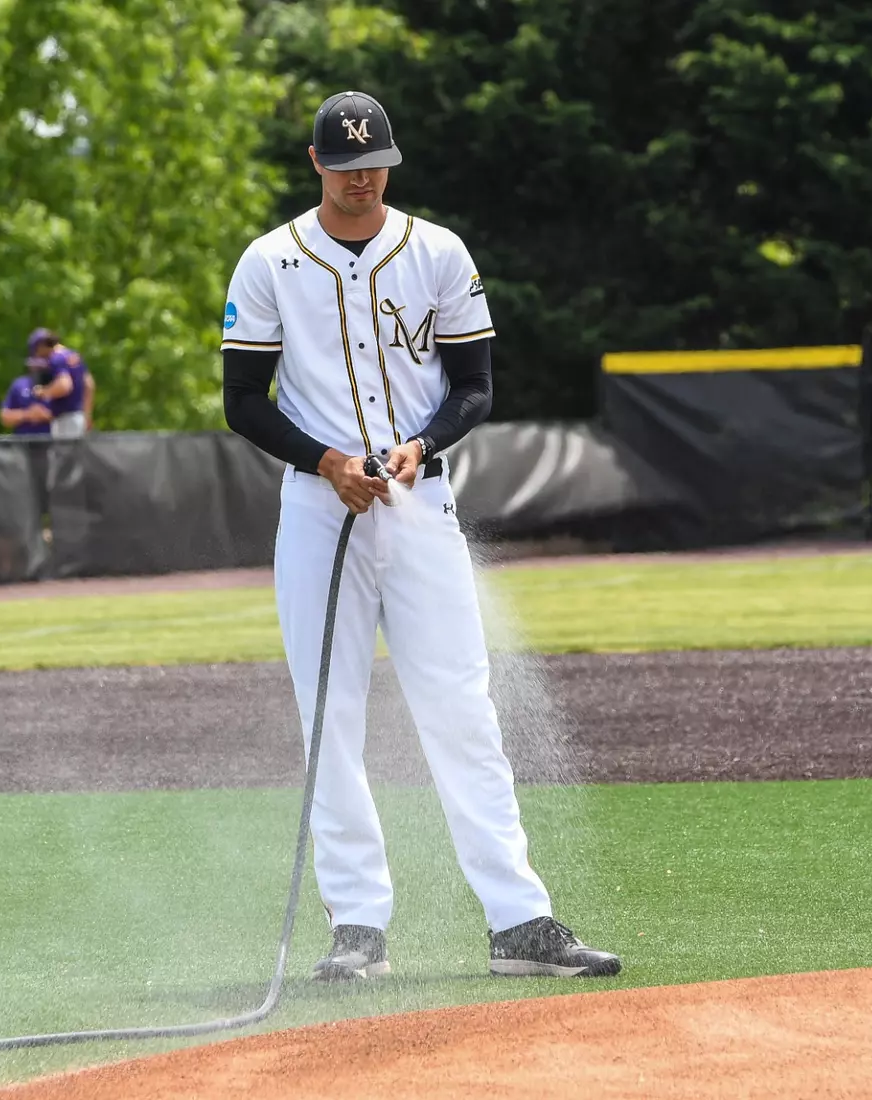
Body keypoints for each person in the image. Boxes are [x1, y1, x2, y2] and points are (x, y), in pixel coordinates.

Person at [221, 90, 620, 981]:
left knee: (463, 709)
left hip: (418, 501)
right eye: (345, 165)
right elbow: (242, 401)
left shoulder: (436, 250)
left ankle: (519, 923)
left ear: (389, 164)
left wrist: (421, 446)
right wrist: (325, 459)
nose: (361, 179)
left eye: (375, 165)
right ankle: (357, 929)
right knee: (331, 717)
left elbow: (475, 386)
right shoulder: (270, 260)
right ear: (316, 164)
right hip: (319, 510)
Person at [24, 327, 94, 438]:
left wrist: (44, 392)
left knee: (63, 455)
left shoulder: (56, 358)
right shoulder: (73, 356)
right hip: (78, 417)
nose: (38, 355)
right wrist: (87, 415)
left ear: (42, 345)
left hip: (65, 419)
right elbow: (89, 384)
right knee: (76, 454)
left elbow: (64, 385)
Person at [0, 368, 53, 435]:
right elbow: (4, 417)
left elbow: (67, 415)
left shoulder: (57, 383)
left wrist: (45, 415)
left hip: (52, 441)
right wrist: (27, 414)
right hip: (23, 441)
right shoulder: (20, 384)